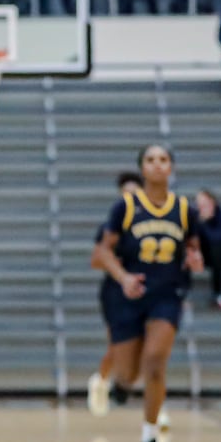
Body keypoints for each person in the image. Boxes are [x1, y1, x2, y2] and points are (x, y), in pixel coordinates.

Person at [91, 145, 204, 442]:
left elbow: (194, 250)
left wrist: (196, 259)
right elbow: (101, 253)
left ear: (171, 167)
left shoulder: (184, 210)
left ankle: (149, 438)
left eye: (164, 159)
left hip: (166, 294)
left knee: (155, 362)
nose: (157, 165)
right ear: (142, 168)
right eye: (151, 160)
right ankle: (121, 385)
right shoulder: (125, 208)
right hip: (126, 296)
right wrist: (124, 277)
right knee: (129, 372)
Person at [87, 170, 143, 417]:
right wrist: (116, 263)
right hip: (116, 291)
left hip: (145, 289)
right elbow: (96, 260)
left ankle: (126, 386)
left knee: (146, 346)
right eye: (125, 194)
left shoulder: (153, 224)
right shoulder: (111, 227)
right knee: (117, 345)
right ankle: (101, 380)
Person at [195, 189, 221, 309]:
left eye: (203, 202)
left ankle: (218, 294)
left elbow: (219, 237)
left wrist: (204, 224)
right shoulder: (195, 216)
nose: (200, 205)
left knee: (216, 250)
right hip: (203, 252)